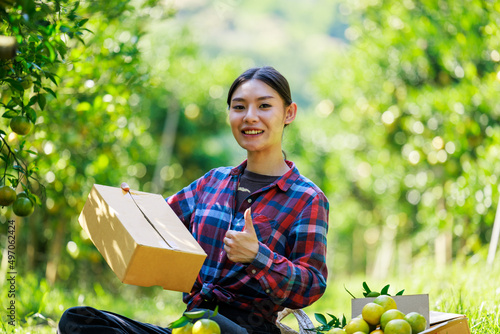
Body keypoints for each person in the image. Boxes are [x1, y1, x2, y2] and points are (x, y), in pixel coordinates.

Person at [58, 66, 329, 334]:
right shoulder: (213, 182)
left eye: (264, 106)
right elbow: (159, 226)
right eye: (239, 107)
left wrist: (258, 256)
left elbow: (312, 284)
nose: (250, 117)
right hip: (191, 325)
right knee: (78, 320)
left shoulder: (307, 199)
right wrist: (130, 207)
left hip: (244, 329)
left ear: (289, 113)